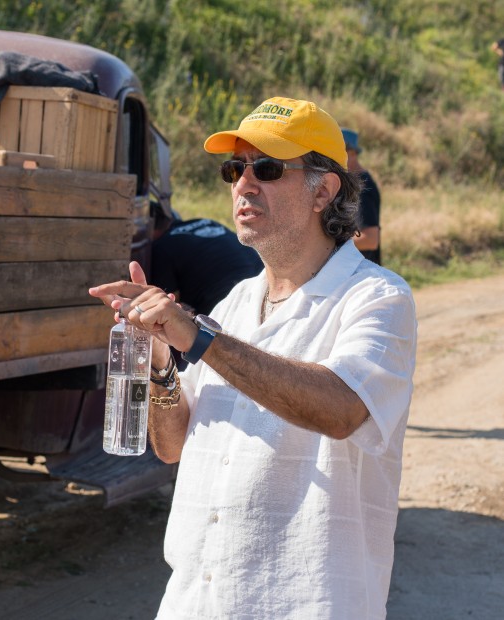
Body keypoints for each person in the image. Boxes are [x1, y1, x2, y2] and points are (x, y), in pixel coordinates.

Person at [89, 96, 418, 619]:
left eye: (267, 168)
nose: (244, 183)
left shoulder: (378, 298)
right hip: (196, 601)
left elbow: (341, 409)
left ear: (324, 190)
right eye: (234, 168)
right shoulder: (236, 302)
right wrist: (158, 362)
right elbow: (172, 445)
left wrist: (198, 340)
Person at [343, 128, 382, 264]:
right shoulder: (354, 184)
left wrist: (330, 245)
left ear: (352, 153)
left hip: (362, 277)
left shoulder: (362, 187)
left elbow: (370, 239)